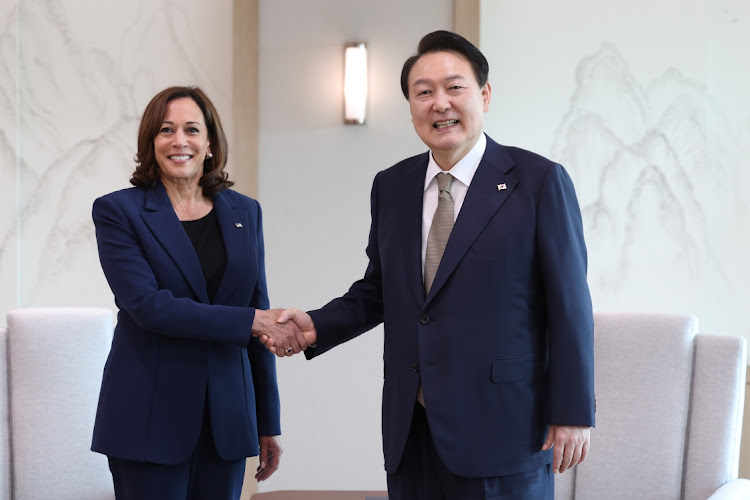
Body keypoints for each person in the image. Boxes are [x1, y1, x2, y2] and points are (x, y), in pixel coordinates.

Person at [262, 31, 595, 499]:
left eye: (454, 87)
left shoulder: (538, 181)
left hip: (505, 428)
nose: (439, 103)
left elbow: (571, 307)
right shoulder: (392, 186)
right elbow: (380, 289)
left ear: (484, 95)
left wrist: (573, 411)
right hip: (411, 430)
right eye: (423, 92)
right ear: (411, 106)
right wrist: (316, 324)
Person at [91, 86, 306, 499]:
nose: (179, 141)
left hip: (227, 419)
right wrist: (250, 321)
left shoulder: (245, 211)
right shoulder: (119, 211)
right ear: (150, 142)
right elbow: (150, 308)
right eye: (166, 130)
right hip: (149, 419)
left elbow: (256, 309)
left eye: (192, 129)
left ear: (209, 143)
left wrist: (266, 420)